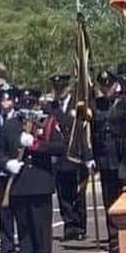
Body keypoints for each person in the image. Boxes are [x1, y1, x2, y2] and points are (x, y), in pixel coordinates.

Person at [0, 99, 65, 253]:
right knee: (24, 227)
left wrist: (36, 145)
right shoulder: (10, 126)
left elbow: (60, 147)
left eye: (31, 104)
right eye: (25, 105)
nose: (28, 109)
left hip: (40, 183)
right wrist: (7, 163)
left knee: (40, 227)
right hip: (18, 184)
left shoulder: (46, 123)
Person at [50, 73, 90, 242]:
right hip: (59, 157)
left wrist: (87, 154)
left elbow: (83, 129)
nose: (60, 91)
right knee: (63, 194)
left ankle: (79, 226)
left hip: (76, 155)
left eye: (62, 88)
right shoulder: (51, 107)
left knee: (78, 194)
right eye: (57, 88)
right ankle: (69, 226)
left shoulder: (78, 105)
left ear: (69, 88)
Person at [92, 70, 122, 253]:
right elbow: (93, 133)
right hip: (104, 158)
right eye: (103, 86)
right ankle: (113, 238)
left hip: (121, 158)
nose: (106, 89)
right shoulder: (97, 105)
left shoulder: (123, 101)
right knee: (109, 200)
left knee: (122, 199)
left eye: (109, 85)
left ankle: (124, 237)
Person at [0, 83, 20, 253]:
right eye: (2, 98)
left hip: (18, 168)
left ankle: (23, 241)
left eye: (7, 98)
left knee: (20, 208)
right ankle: (6, 243)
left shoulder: (20, 118)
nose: (4, 102)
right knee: (3, 208)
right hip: (0, 169)